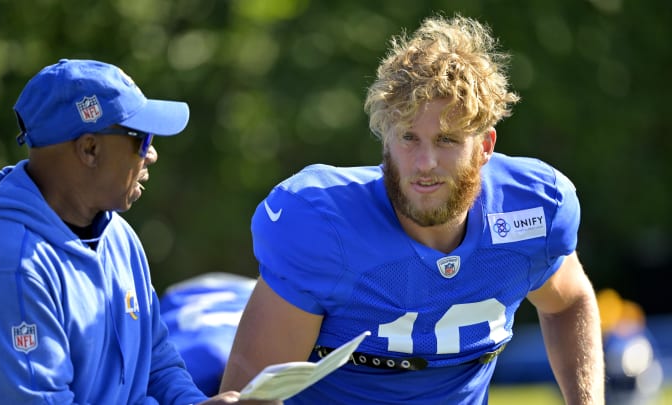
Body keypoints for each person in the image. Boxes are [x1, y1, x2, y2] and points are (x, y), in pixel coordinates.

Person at [220, 14, 605, 404]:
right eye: (408, 137)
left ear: (486, 147)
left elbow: (568, 302)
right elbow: (251, 395)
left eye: (446, 140)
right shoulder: (324, 227)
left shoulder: (530, 209)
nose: (424, 163)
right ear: (385, 141)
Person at [0, 59, 240, 404]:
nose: (152, 155)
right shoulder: (5, 264)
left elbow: (156, 363)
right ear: (90, 149)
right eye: (142, 138)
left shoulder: (118, 234)